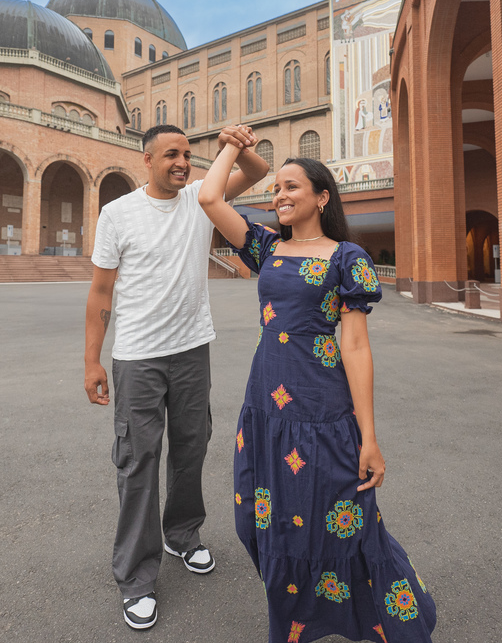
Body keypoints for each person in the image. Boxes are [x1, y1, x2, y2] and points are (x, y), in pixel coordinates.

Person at [198, 148, 437, 643]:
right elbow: (208, 196)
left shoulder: (348, 258)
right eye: (277, 187)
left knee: (341, 521)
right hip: (265, 405)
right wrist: (232, 147)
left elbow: (354, 346)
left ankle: (379, 619)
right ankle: (298, 619)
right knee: (258, 519)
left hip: (322, 408)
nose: (279, 195)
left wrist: (369, 437)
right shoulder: (266, 248)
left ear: (321, 197)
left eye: (292, 187)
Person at [84, 123, 269, 630]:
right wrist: (92, 361)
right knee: (138, 459)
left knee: (191, 447)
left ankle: (182, 536)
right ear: (147, 160)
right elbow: (101, 292)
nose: (183, 162)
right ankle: (136, 576)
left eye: (188, 154)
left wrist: (236, 144)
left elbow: (257, 172)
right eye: (171, 154)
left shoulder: (199, 201)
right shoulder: (117, 214)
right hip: (138, 357)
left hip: (191, 351)